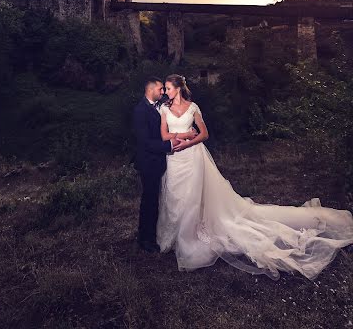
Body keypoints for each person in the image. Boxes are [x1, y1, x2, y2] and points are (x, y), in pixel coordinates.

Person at [157, 73, 353, 280]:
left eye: (168, 88)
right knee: (176, 194)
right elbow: (163, 135)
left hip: (193, 157)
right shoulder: (164, 109)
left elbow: (204, 134)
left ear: (178, 88)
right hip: (174, 158)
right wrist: (183, 135)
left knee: (193, 196)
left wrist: (188, 142)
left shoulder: (193, 107)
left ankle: (190, 237)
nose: (166, 91)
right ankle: (174, 235)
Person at [133, 77, 194, 253]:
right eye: (160, 89)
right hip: (148, 163)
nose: (163, 92)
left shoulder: (156, 106)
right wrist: (169, 145)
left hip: (157, 161)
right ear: (151, 90)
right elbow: (145, 142)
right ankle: (146, 240)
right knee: (149, 202)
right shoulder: (140, 111)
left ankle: (149, 235)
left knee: (154, 200)